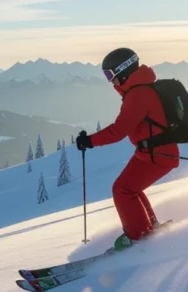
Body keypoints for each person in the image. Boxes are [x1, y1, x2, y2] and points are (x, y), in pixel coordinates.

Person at [75, 47, 178, 248]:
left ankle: (138, 237)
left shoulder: (139, 94)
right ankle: (149, 228)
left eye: (110, 74)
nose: (110, 80)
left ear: (123, 70)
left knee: (123, 190)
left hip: (158, 154)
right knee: (129, 188)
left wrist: (89, 141)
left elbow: (119, 131)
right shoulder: (139, 90)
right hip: (148, 153)